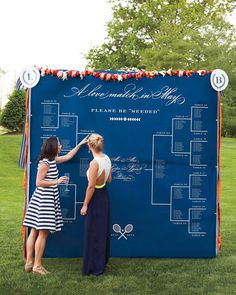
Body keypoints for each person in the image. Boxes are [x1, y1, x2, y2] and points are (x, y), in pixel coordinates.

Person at [23, 136, 87, 275]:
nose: (61, 146)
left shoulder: (52, 160)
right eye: (59, 144)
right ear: (53, 146)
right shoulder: (45, 163)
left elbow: (69, 156)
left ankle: (29, 263)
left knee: (34, 230)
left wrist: (80, 144)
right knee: (42, 232)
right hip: (44, 200)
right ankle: (37, 266)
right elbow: (38, 182)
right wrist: (56, 181)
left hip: (42, 199)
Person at [80, 133, 112, 276]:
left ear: (89, 145)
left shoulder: (94, 163)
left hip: (95, 198)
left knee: (93, 232)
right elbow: (109, 179)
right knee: (101, 231)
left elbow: (91, 187)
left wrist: (85, 205)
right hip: (104, 195)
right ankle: (100, 263)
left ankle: (94, 267)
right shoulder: (107, 158)